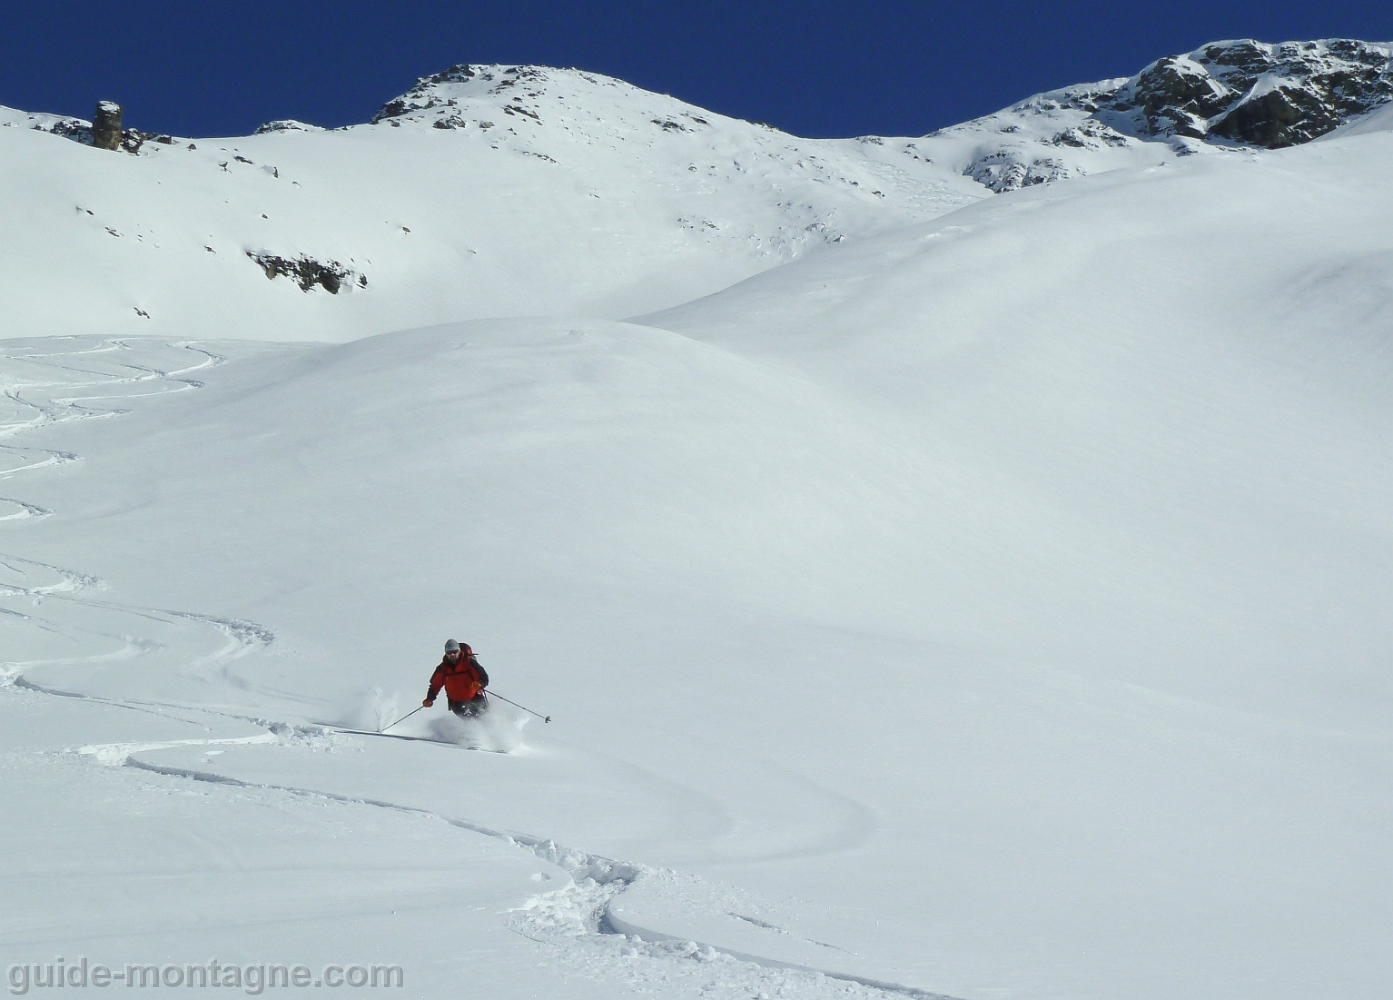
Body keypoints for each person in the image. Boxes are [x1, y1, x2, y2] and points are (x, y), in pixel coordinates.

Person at [423, 639, 489, 718]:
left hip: (475, 698)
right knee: (470, 722)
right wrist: (429, 699)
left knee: (485, 718)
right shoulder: (442, 669)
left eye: (455, 651)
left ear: (459, 651)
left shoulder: (469, 663)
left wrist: (480, 684)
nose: (452, 655)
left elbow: (483, 676)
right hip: (457, 704)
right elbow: (435, 685)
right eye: (449, 653)